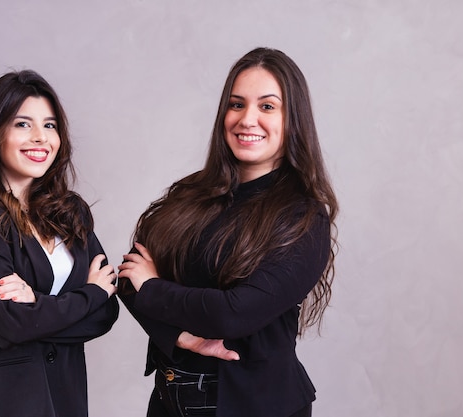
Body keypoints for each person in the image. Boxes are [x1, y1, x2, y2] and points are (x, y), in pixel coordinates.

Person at [118, 47, 338, 417]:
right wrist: (181, 336)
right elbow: (129, 278)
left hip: (256, 406)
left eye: (267, 106)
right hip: (171, 401)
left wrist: (154, 287)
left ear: (293, 119)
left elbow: (233, 315)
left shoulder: (303, 218)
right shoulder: (189, 195)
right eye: (236, 104)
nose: (246, 119)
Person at [0, 70, 119, 417]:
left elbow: (107, 314)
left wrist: (36, 303)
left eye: (50, 126)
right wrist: (91, 295)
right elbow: (9, 323)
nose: (41, 138)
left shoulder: (72, 212)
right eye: (23, 124)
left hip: (64, 397)